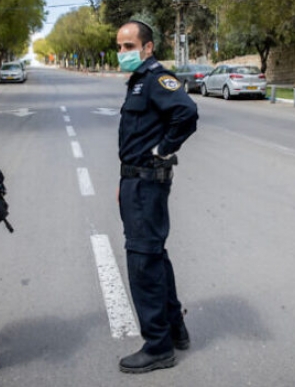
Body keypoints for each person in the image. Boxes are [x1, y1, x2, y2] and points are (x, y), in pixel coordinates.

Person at [115, 20, 199, 374]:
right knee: (155, 257)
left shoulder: (155, 79)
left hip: (147, 183)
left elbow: (188, 112)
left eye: (129, 47)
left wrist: (164, 149)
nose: (123, 54)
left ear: (148, 48)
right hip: (137, 181)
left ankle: (158, 346)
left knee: (143, 263)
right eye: (119, 47)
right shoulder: (139, 81)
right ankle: (174, 328)